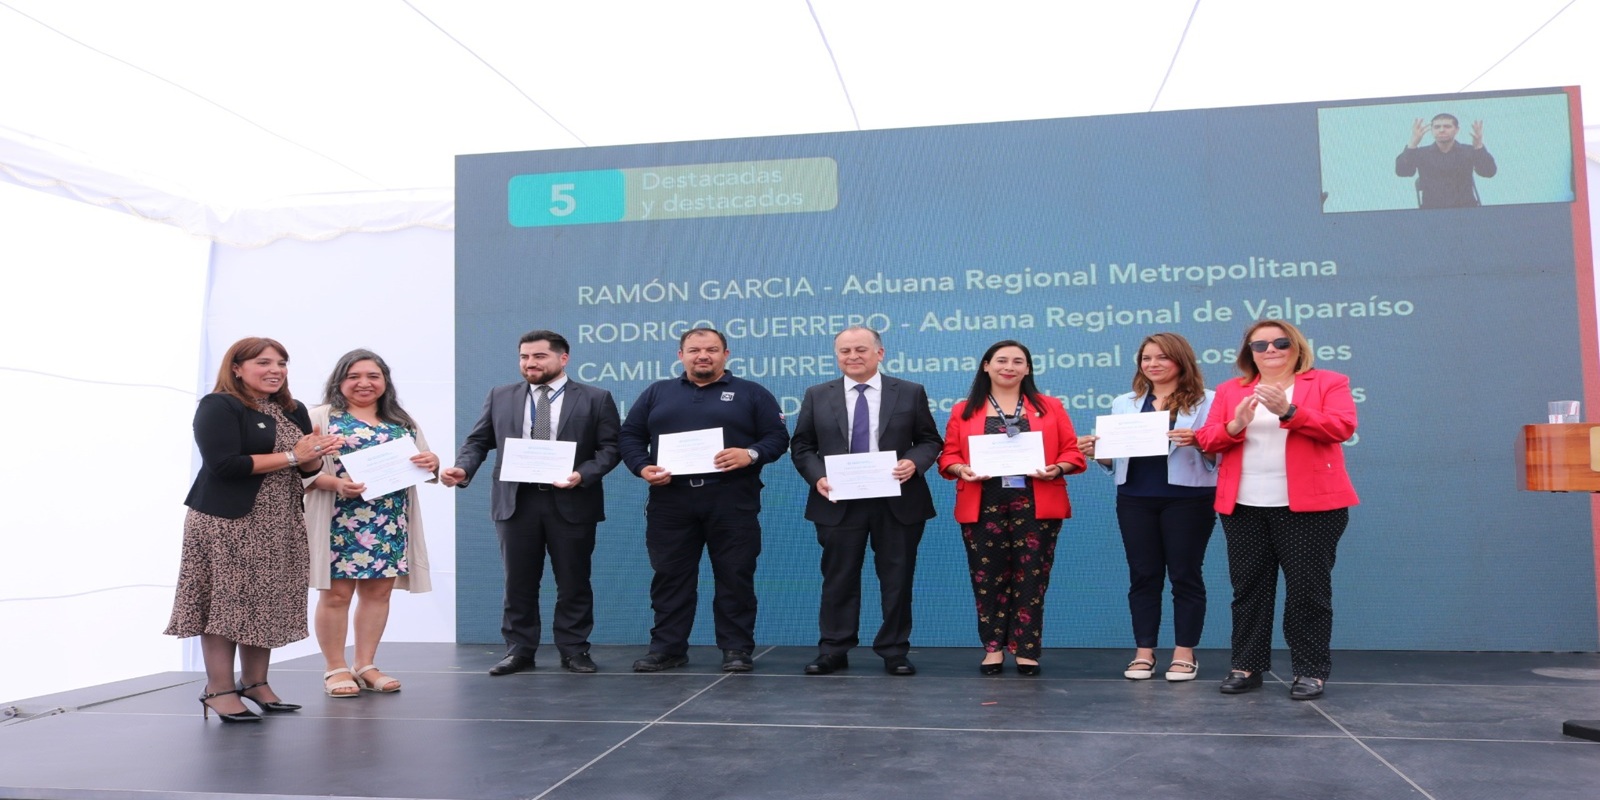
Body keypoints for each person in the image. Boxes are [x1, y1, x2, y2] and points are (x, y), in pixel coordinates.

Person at [165, 337, 343, 722]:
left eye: (281, 363)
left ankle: (255, 683)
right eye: (264, 362)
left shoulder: (293, 410)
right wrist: (294, 454)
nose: (275, 370)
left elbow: (306, 471)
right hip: (227, 522)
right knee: (226, 604)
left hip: (279, 521)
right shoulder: (219, 406)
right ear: (237, 368)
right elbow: (224, 465)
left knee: (265, 601)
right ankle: (218, 689)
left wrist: (314, 455)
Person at [441, 330, 621, 675]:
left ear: (563, 358)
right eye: (524, 357)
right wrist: (463, 469)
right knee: (518, 582)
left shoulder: (595, 398)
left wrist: (582, 474)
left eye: (539, 356)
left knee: (573, 581)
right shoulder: (500, 396)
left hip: (571, 500)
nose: (530, 363)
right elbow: (477, 441)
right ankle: (519, 650)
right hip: (516, 501)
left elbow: (610, 448)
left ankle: (574, 650)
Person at [1195, 319, 1358, 700]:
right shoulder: (1230, 390)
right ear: (1249, 353)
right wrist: (1236, 424)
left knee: (1307, 592)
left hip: (1310, 507)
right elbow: (1207, 438)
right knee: (1248, 589)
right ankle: (1246, 666)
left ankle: (1310, 670)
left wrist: (1289, 411)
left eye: (1280, 343)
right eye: (1260, 345)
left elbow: (1342, 427)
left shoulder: (1328, 382)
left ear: (1296, 347)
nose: (1270, 350)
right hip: (1243, 505)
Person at [618, 327, 790, 673]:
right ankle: (668, 649)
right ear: (680, 355)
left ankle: (736, 649)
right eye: (694, 350)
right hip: (670, 500)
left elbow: (777, 437)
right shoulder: (657, 393)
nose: (703, 356)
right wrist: (642, 467)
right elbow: (630, 436)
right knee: (670, 576)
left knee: (735, 575)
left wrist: (750, 454)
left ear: (726, 354)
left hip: (731, 498)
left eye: (711, 349)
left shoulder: (751, 393)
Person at [789, 326, 943, 676]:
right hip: (838, 500)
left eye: (860, 349)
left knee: (897, 579)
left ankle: (894, 650)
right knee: (838, 578)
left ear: (880, 353)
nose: (853, 356)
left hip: (897, 500)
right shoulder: (817, 394)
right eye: (845, 351)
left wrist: (913, 463)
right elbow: (802, 446)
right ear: (837, 356)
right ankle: (833, 649)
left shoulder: (909, 391)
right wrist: (818, 477)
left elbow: (929, 440)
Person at [938, 340, 1086, 675]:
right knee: (987, 578)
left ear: (1028, 369)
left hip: (1036, 501)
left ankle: (1026, 649)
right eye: (1001, 360)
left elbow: (1072, 452)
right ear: (986, 366)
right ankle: (993, 648)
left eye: (1018, 361)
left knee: (1032, 577)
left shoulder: (1050, 406)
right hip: (983, 502)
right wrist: (961, 469)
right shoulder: (964, 409)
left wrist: (1057, 468)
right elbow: (948, 456)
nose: (1009, 367)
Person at [1078, 333, 1217, 683]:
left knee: (1185, 574)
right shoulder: (1124, 402)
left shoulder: (1208, 401)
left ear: (1181, 360)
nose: (1153, 364)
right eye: (1146, 358)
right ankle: (1144, 652)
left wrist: (1199, 442)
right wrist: (1096, 453)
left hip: (1188, 498)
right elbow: (1115, 459)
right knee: (1143, 575)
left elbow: (1219, 453)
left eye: (1162, 357)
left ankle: (1184, 653)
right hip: (1135, 497)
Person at [304, 349, 439, 697]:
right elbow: (299, 471)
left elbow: (428, 464)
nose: (364, 383)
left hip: (388, 521)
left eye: (373, 376)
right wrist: (336, 484)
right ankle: (335, 668)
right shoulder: (320, 417)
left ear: (385, 382)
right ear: (339, 381)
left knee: (379, 593)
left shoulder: (401, 421)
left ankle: (365, 665)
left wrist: (433, 461)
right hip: (338, 519)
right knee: (336, 595)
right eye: (354, 376)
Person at [1395, 113, 1496, 209]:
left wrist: (1479, 147)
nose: (1442, 130)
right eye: (1437, 127)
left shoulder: (1468, 151)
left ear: (1456, 130)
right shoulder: (1422, 153)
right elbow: (1402, 172)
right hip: (1432, 211)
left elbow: (1489, 172)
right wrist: (1412, 144)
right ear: (1431, 130)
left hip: (1465, 209)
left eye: (1447, 126)